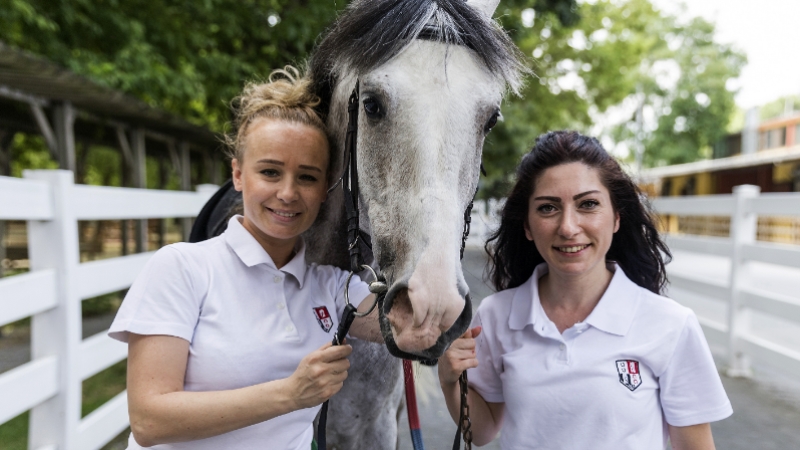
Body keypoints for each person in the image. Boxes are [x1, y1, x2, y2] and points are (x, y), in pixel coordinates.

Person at [108, 66, 382, 449]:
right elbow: (149, 420)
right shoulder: (181, 268)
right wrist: (291, 393)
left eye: (306, 177)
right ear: (238, 175)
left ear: (325, 188)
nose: (287, 193)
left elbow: (407, 328)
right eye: (270, 172)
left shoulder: (331, 286)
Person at [439, 131, 732, 449]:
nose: (568, 227)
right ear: (527, 225)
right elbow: (480, 433)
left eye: (588, 204)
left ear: (617, 217)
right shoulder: (496, 315)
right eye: (548, 208)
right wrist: (449, 379)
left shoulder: (671, 324)